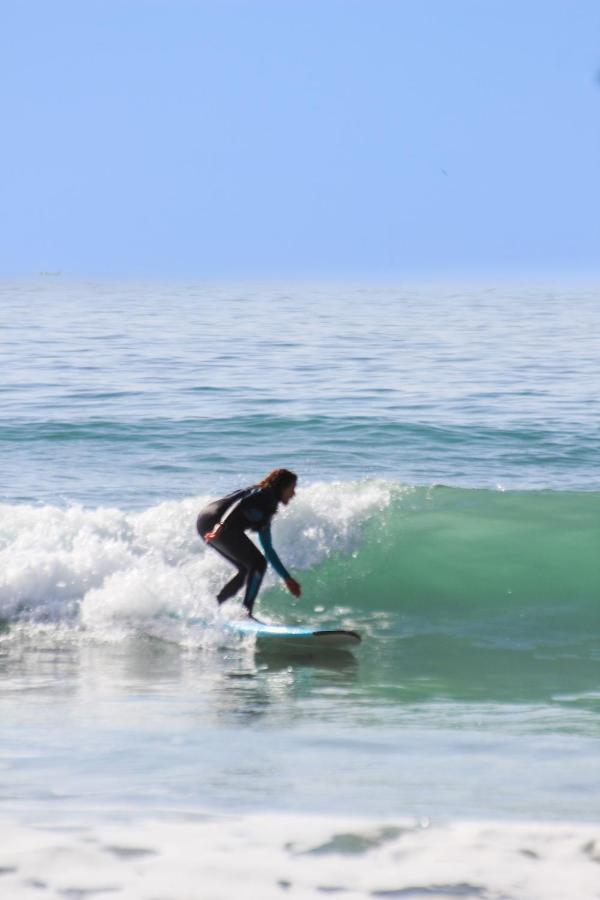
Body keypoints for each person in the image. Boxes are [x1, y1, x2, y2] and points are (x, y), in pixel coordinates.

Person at [197, 468, 302, 617]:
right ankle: (246, 613)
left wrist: (286, 578)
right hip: (214, 521)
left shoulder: (267, 510)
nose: (293, 494)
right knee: (258, 563)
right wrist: (219, 526)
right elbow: (238, 502)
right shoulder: (263, 493)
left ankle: (215, 606)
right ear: (282, 486)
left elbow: (268, 549)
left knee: (247, 568)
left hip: (207, 523)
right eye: (292, 488)